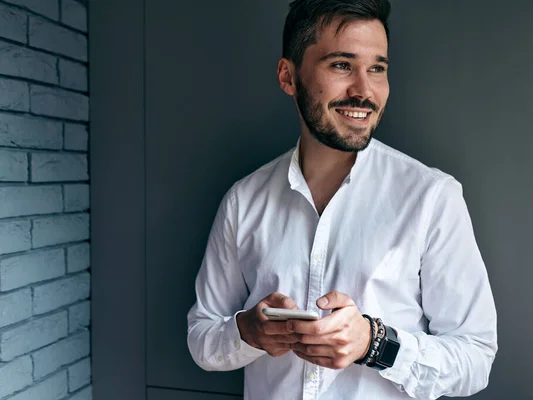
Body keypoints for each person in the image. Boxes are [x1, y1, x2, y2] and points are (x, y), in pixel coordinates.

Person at [187, 0, 498, 399]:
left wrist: (374, 343)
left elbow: (474, 358)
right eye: (341, 65)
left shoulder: (432, 197)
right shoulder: (243, 201)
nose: (364, 91)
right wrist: (248, 331)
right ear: (288, 76)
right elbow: (202, 339)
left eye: (377, 69)